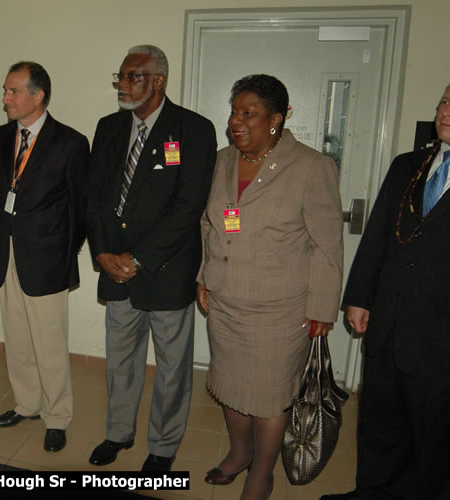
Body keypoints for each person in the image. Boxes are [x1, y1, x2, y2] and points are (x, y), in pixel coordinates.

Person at [197, 74, 343, 499]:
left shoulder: (312, 167)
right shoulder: (223, 160)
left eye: (249, 114)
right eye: (234, 112)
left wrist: (322, 308)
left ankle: (262, 470)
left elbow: (327, 245)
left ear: (276, 119)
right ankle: (239, 453)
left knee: (269, 398)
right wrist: (204, 275)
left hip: (281, 310)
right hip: (226, 301)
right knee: (229, 386)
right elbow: (210, 223)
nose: (235, 122)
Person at [86, 44, 217, 472]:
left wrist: (138, 258)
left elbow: (188, 205)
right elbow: (97, 196)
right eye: (121, 77)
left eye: (133, 77)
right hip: (115, 269)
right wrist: (103, 251)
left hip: (165, 270)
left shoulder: (194, 129)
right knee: (120, 360)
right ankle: (118, 433)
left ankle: (162, 446)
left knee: (172, 367)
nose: (124, 85)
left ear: (158, 81)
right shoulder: (108, 128)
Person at [320, 85, 450, 500]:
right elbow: (377, 234)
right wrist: (359, 296)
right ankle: (373, 493)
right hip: (388, 325)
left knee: (434, 438)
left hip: (440, 338)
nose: (446, 111)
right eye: (445, 101)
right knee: (380, 425)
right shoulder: (409, 164)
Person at [0, 62, 89, 452]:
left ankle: (57, 415)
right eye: (5, 91)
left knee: (48, 342)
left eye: (13, 92)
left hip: (47, 257)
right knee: (16, 337)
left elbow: (81, 209)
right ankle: (26, 403)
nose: (5, 99)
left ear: (38, 95)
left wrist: (62, 251)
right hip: (8, 251)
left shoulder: (70, 142)